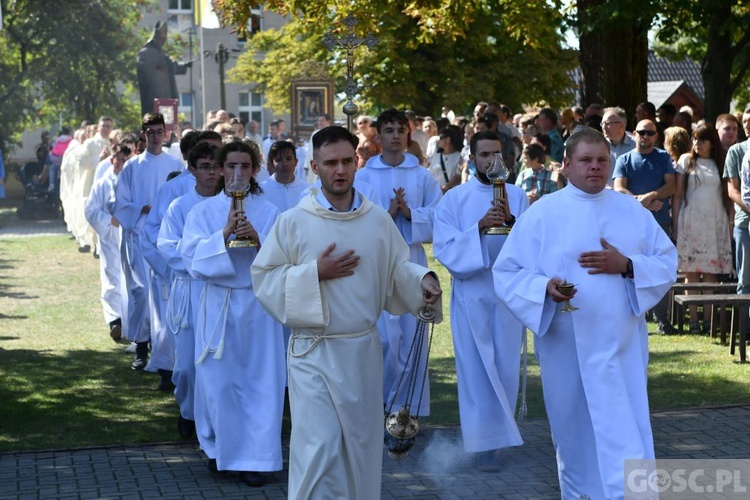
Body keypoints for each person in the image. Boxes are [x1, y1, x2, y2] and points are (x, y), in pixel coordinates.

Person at [251, 126, 442, 500]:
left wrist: (423, 284)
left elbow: (397, 270)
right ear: (314, 167)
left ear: (357, 163)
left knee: (360, 448)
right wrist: (312, 274)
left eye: (345, 161)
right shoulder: (293, 221)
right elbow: (264, 279)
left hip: (361, 354)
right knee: (319, 448)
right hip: (313, 353)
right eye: (329, 163)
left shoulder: (377, 221)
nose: (339, 170)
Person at [494, 128, 677, 499]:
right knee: (575, 438)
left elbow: (667, 262)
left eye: (602, 161)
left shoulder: (630, 210)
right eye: (586, 160)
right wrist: (543, 287)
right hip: (567, 347)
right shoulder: (543, 212)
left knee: (625, 431)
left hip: (620, 346)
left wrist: (626, 264)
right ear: (566, 165)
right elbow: (507, 271)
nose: (595, 167)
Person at [181, 141, 284, 487]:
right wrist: (223, 234)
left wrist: (257, 238)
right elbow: (191, 258)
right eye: (231, 166)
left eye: (244, 166)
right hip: (219, 304)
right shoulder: (203, 212)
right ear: (221, 169)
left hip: (257, 306)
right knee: (219, 384)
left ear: (255, 170)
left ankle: (257, 458)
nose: (237, 173)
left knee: (260, 383)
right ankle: (222, 451)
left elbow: (283, 259)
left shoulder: (269, 212)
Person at [433, 130, 527, 470]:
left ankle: (497, 440)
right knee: (475, 369)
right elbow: (444, 248)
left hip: (506, 294)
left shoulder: (517, 195)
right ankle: (480, 443)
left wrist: (511, 222)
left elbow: (531, 242)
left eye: (497, 154)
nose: (492, 161)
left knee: (503, 368)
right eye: (485, 154)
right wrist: (479, 228)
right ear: (472, 158)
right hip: (472, 292)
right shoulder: (454, 199)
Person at [356, 108, 442, 419]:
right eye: (388, 130)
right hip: (378, 263)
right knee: (382, 338)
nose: (394, 136)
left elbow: (437, 217)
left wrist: (410, 214)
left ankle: (408, 409)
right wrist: (388, 212)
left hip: (412, 260)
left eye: (399, 130)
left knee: (411, 335)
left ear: (408, 134)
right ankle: (380, 404)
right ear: (377, 136)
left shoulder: (421, 175)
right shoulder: (364, 175)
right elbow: (355, 218)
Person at [157, 142, 221, 440]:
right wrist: (201, 256)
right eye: (205, 167)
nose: (211, 173)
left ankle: (213, 422)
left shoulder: (230, 204)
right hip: (188, 289)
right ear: (192, 169)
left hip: (220, 290)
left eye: (215, 166)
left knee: (216, 360)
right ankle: (187, 412)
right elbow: (167, 246)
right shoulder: (179, 206)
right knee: (185, 365)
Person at [114, 113, 184, 370]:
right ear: (144, 134)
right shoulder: (133, 167)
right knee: (141, 291)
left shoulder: (174, 163)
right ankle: (141, 345)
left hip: (166, 236)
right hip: (139, 235)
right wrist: (143, 208)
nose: (155, 136)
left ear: (166, 133)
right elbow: (120, 203)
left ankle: (165, 346)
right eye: (150, 132)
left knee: (164, 294)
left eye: (159, 131)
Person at [614, 119, 677, 334]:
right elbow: (619, 188)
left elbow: (672, 185)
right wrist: (641, 204)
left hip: (660, 223)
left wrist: (651, 196)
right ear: (634, 134)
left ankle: (662, 318)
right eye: (642, 132)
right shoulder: (624, 159)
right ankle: (632, 312)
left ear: (656, 136)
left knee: (659, 268)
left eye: (650, 133)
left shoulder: (663, 157)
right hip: (631, 224)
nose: (646, 136)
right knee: (630, 267)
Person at [672, 123, 733, 333]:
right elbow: (678, 194)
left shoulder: (719, 162)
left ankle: (708, 320)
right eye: (694, 139)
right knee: (690, 272)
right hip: (691, 221)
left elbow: (727, 196)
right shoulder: (686, 160)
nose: (697, 143)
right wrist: (675, 226)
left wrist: (730, 222)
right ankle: (693, 321)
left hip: (715, 222)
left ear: (711, 143)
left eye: (702, 139)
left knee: (710, 273)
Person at [84, 143, 129, 342]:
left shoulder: (133, 182)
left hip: (130, 236)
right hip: (111, 236)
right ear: (112, 160)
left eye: (125, 160)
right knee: (112, 278)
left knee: (131, 279)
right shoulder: (102, 184)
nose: (122, 164)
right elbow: (90, 211)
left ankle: (131, 320)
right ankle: (115, 320)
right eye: (119, 160)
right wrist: (110, 221)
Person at [724, 108, 750, 319]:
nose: (748, 125)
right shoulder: (737, 151)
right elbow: (733, 191)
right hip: (744, 221)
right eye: (745, 122)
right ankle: (746, 327)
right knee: (745, 276)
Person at [137, 22, 191, 117]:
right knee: (154, 117)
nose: (162, 42)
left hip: (166, 94)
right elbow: (143, 72)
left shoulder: (162, 54)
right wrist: (156, 66)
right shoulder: (145, 53)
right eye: (161, 39)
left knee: (167, 121)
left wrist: (184, 65)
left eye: (163, 40)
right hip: (153, 92)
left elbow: (171, 66)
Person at [427, 124, 463, 193]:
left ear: (448, 139)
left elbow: (459, 175)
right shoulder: (436, 155)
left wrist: (445, 187)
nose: (438, 141)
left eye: (440, 138)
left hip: (449, 194)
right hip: (434, 193)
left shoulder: (459, 156)